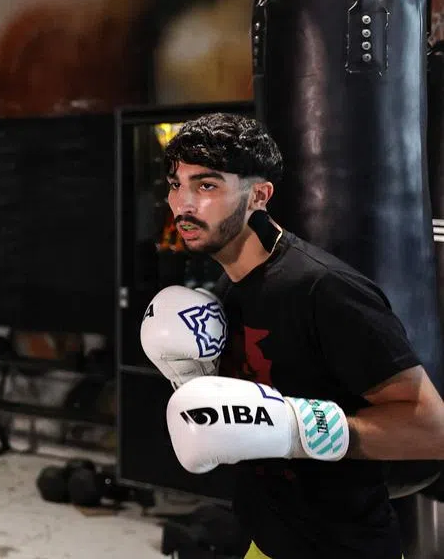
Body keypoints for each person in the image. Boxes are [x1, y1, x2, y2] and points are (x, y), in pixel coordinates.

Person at [139, 112, 444, 559]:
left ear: (259, 195)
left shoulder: (325, 289)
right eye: (175, 184)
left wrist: (300, 431)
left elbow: (432, 429)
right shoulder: (228, 289)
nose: (182, 204)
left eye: (206, 185)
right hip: (265, 539)